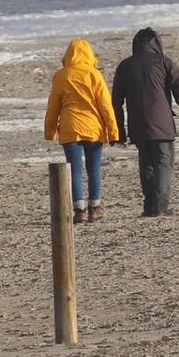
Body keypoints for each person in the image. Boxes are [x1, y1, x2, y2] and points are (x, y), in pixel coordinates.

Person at [112, 28, 179, 217]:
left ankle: (149, 206)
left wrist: (118, 130)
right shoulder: (165, 63)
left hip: (137, 124)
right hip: (162, 125)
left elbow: (116, 101)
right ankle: (160, 206)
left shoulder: (125, 66)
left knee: (146, 164)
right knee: (163, 163)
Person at [44, 39, 120, 224]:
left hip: (70, 128)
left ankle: (79, 210)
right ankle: (95, 208)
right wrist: (113, 131)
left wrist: (49, 130)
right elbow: (105, 106)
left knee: (74, 170)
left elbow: (53, 106)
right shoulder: (94, 75)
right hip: (93, 128)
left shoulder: (61, 76)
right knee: (93, 168)